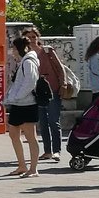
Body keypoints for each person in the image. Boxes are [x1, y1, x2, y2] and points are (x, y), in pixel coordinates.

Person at [2, 33, 41, 179]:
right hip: (18, 104)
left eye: (13, 48)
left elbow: (30, 82)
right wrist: (11, 98)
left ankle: (33, 169)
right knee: (13, 133)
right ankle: (22, 165)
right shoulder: (23, 61)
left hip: (27, 104)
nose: (12, 52)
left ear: (18, 49)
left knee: (31, 136)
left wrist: (17, 96)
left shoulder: (28, 62)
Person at [29, 26, 69, 159]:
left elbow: (60, 67)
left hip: (52, 89)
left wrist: (63, 84)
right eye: (29, 37)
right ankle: (47, 151)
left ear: (38, 37)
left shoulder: (47, 50)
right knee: (43, 122)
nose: (32, 40)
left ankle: (57, 150)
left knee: (53, 120)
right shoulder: (27, 54)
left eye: (34, 37)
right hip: (37, 91)